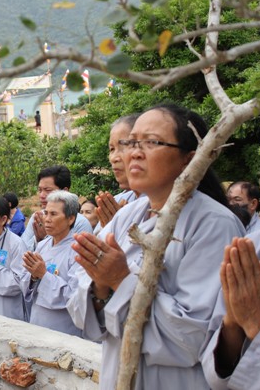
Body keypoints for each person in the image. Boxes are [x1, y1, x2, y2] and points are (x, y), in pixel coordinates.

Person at [67, 103, 245, 390]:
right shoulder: (126, 216)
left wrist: (120, 280)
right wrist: (99, 287)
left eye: (151, 142)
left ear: (190, 160)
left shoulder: (213, 224)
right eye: (131, 142)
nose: (134, 153)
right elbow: (78, 299)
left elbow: (194, 338)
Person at [201, 167, 260, 390]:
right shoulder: (254, 246)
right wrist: (233, 322)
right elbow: (218, 369)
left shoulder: (222, 224)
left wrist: (258, 328)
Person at [21, 191, 82, 335]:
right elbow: (25, 283)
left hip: (62, 327)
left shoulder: (78, 250)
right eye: (46, 213)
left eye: (53, 214)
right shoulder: (42, 245)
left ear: (70, 219)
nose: (47, 219)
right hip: (37, 321)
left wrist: (43, 274)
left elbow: (74, 297)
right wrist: (33, 277)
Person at [21, 165, 93, 251]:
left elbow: (79, 255)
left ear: (64, 191)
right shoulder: (37, 217)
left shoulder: (80, 223)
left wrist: (46, 238)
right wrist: (38, 240)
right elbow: (22, 249)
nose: (42, 195)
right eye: (40, 190)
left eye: (48, 190)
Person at [95, 114, 141, 232]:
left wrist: (118, 229)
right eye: (112, 149)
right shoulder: (116, 202)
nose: (113, 158)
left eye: (123, 146)